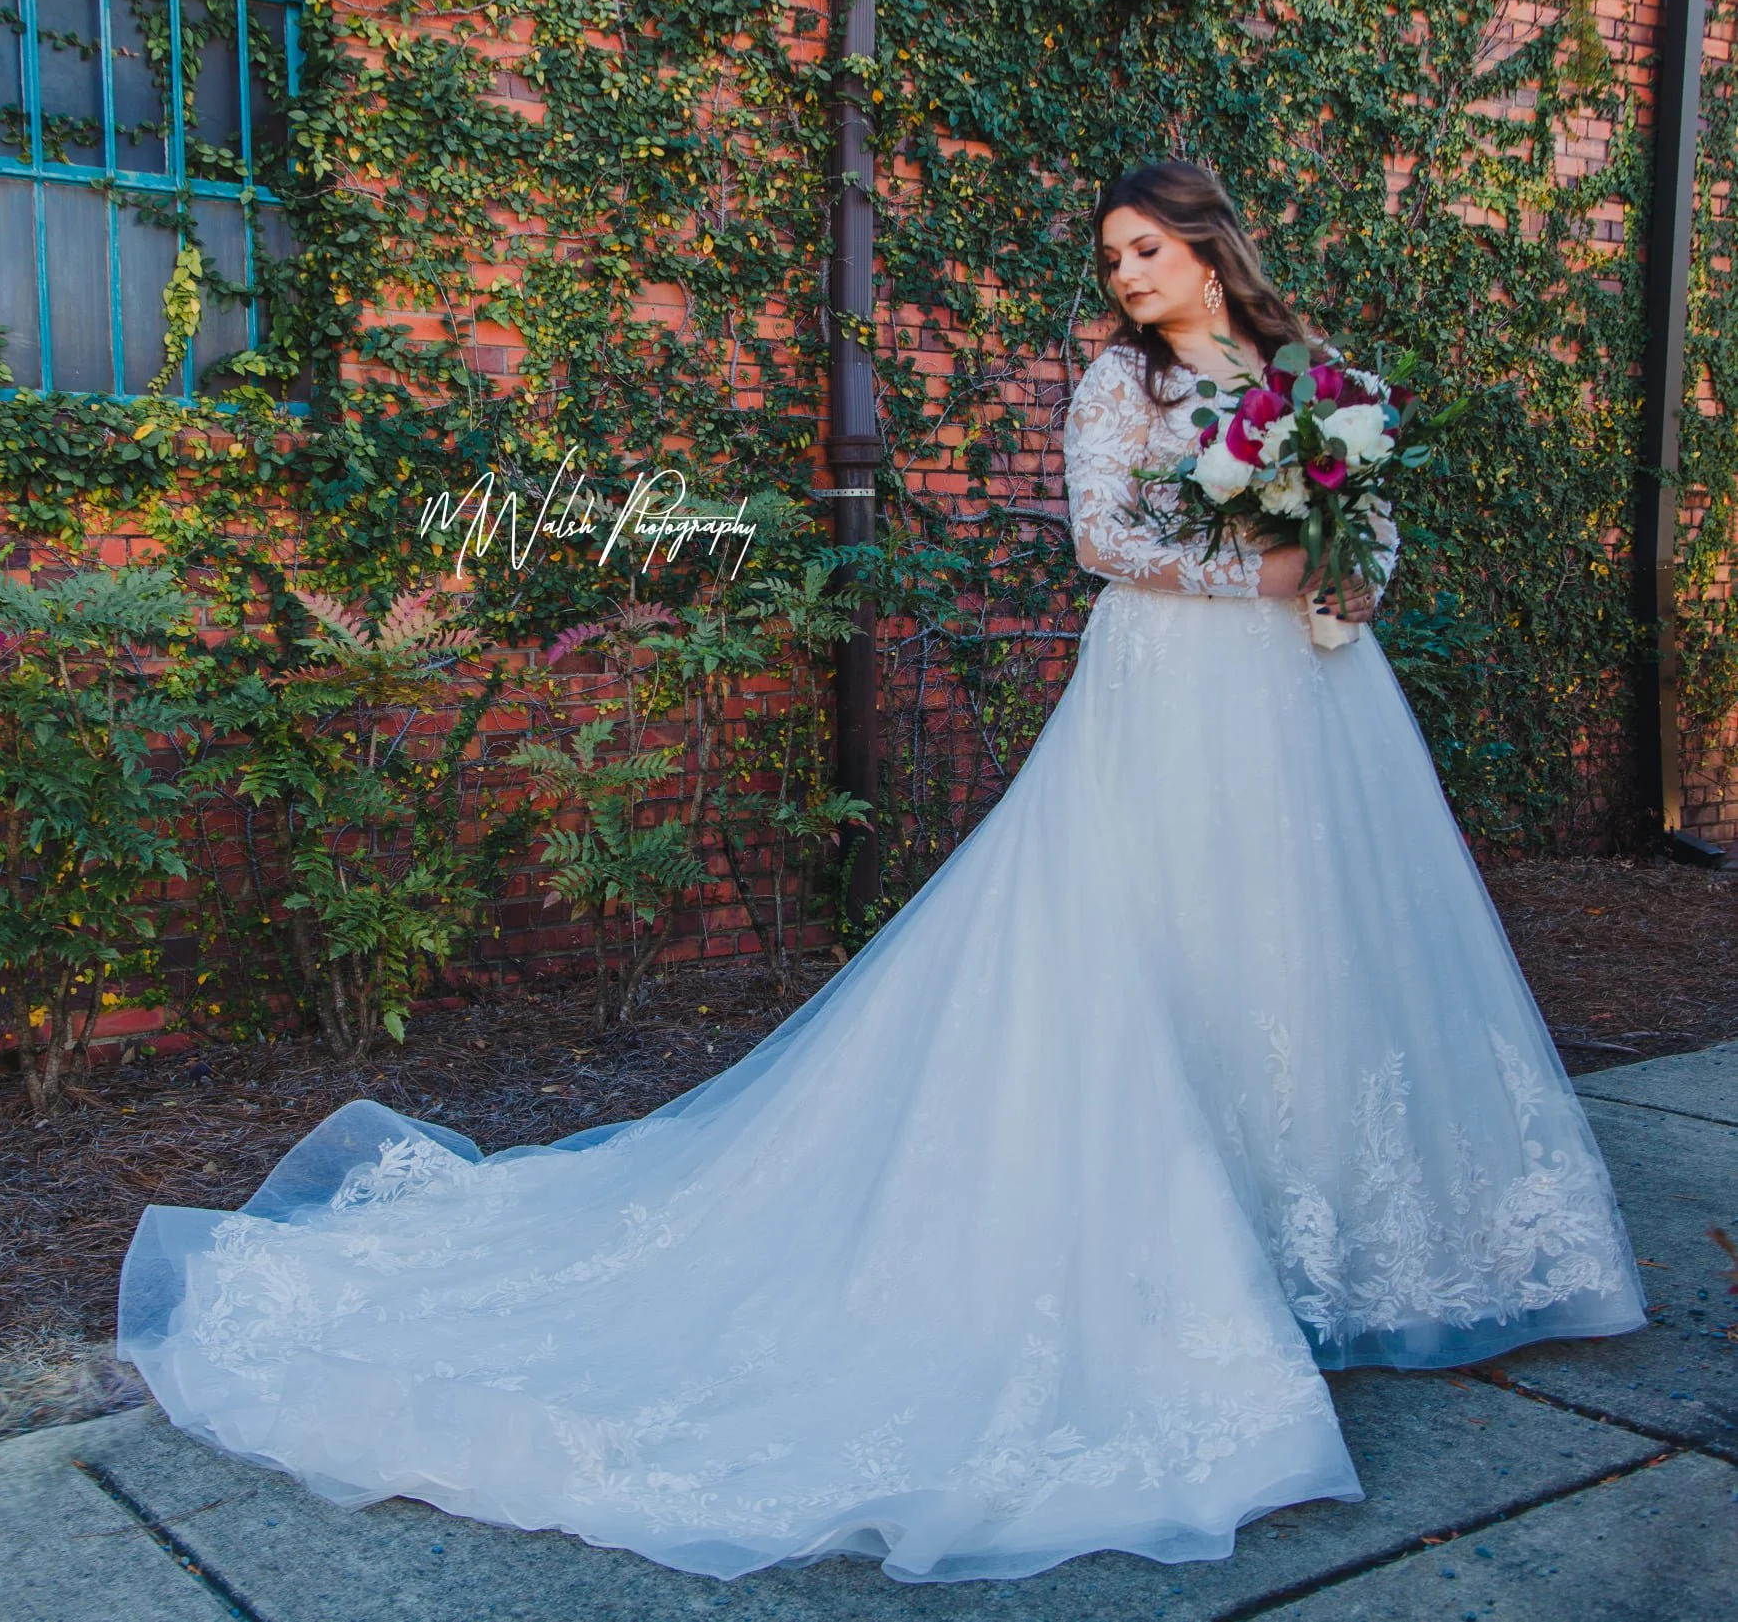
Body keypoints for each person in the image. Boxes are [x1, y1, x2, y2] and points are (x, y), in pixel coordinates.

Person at [115, 160, 1648, 1586]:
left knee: (1306, 943)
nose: (1124, 274)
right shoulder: (1120, 385)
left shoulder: (1312, 378)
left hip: (1309, 699)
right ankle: (1177, 1255)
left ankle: (1317, 1243)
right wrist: (1263, 569)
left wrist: (1346, 574)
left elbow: (1365, 523)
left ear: (1207, 249)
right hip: (1173, 684)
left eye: (1145, 248)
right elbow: (1102, 541)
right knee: (1159, 935)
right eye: (1110, 257)